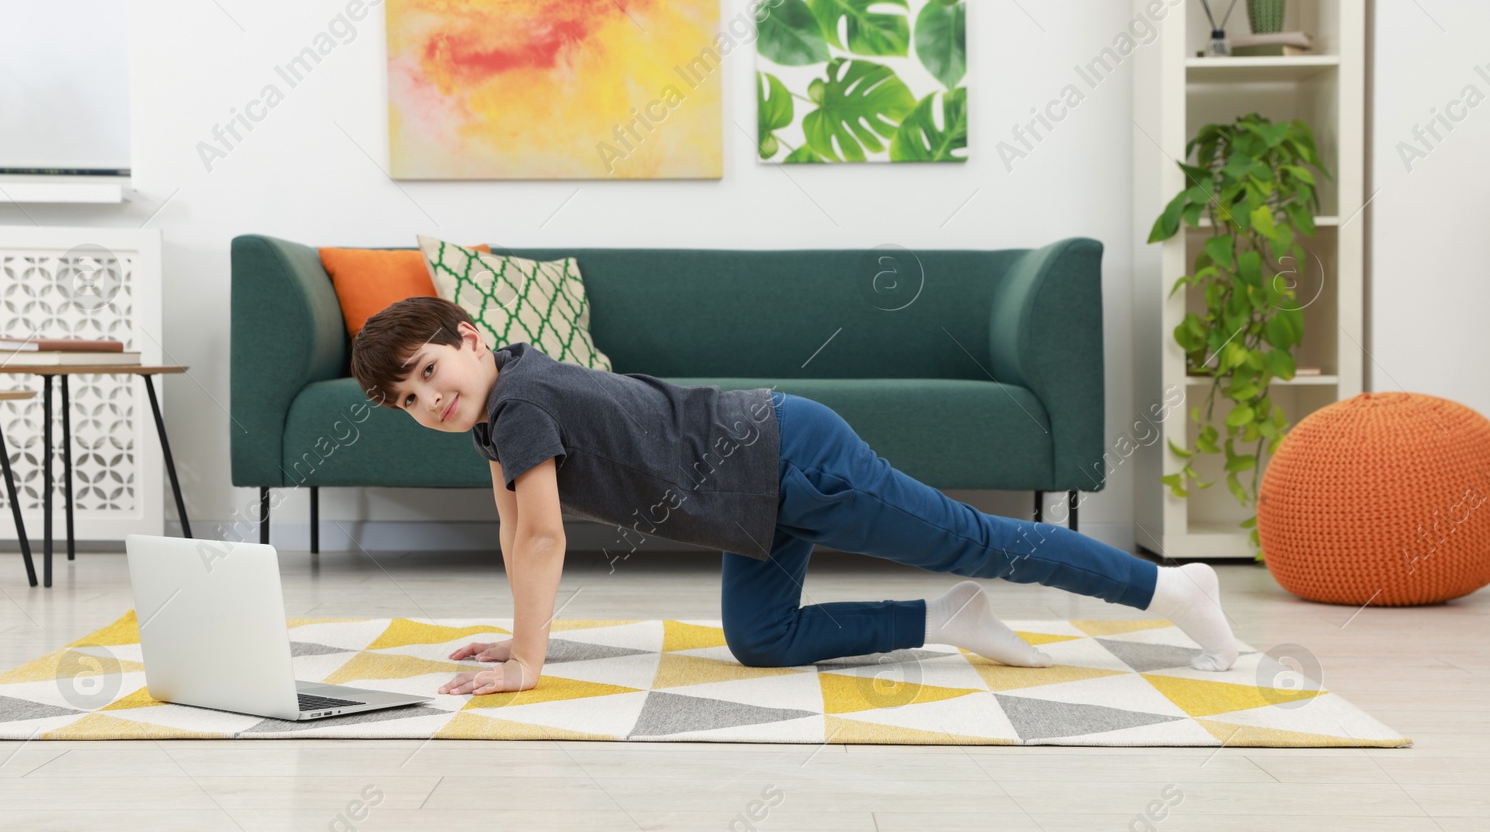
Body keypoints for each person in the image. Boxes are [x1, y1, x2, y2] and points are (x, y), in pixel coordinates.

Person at [349, 297, 1240, 696]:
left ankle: (1173, 589)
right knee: (760, 639)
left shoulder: (522, 401)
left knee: (973, 536)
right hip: (749, 497)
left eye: (430, 371)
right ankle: (947, 619)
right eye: (409, 400)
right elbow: (516, 531)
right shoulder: (501, 413)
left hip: (789, 460)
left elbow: (543, 540)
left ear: (469, 338)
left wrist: (531, 664)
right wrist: (520, 638)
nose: (431, 399)